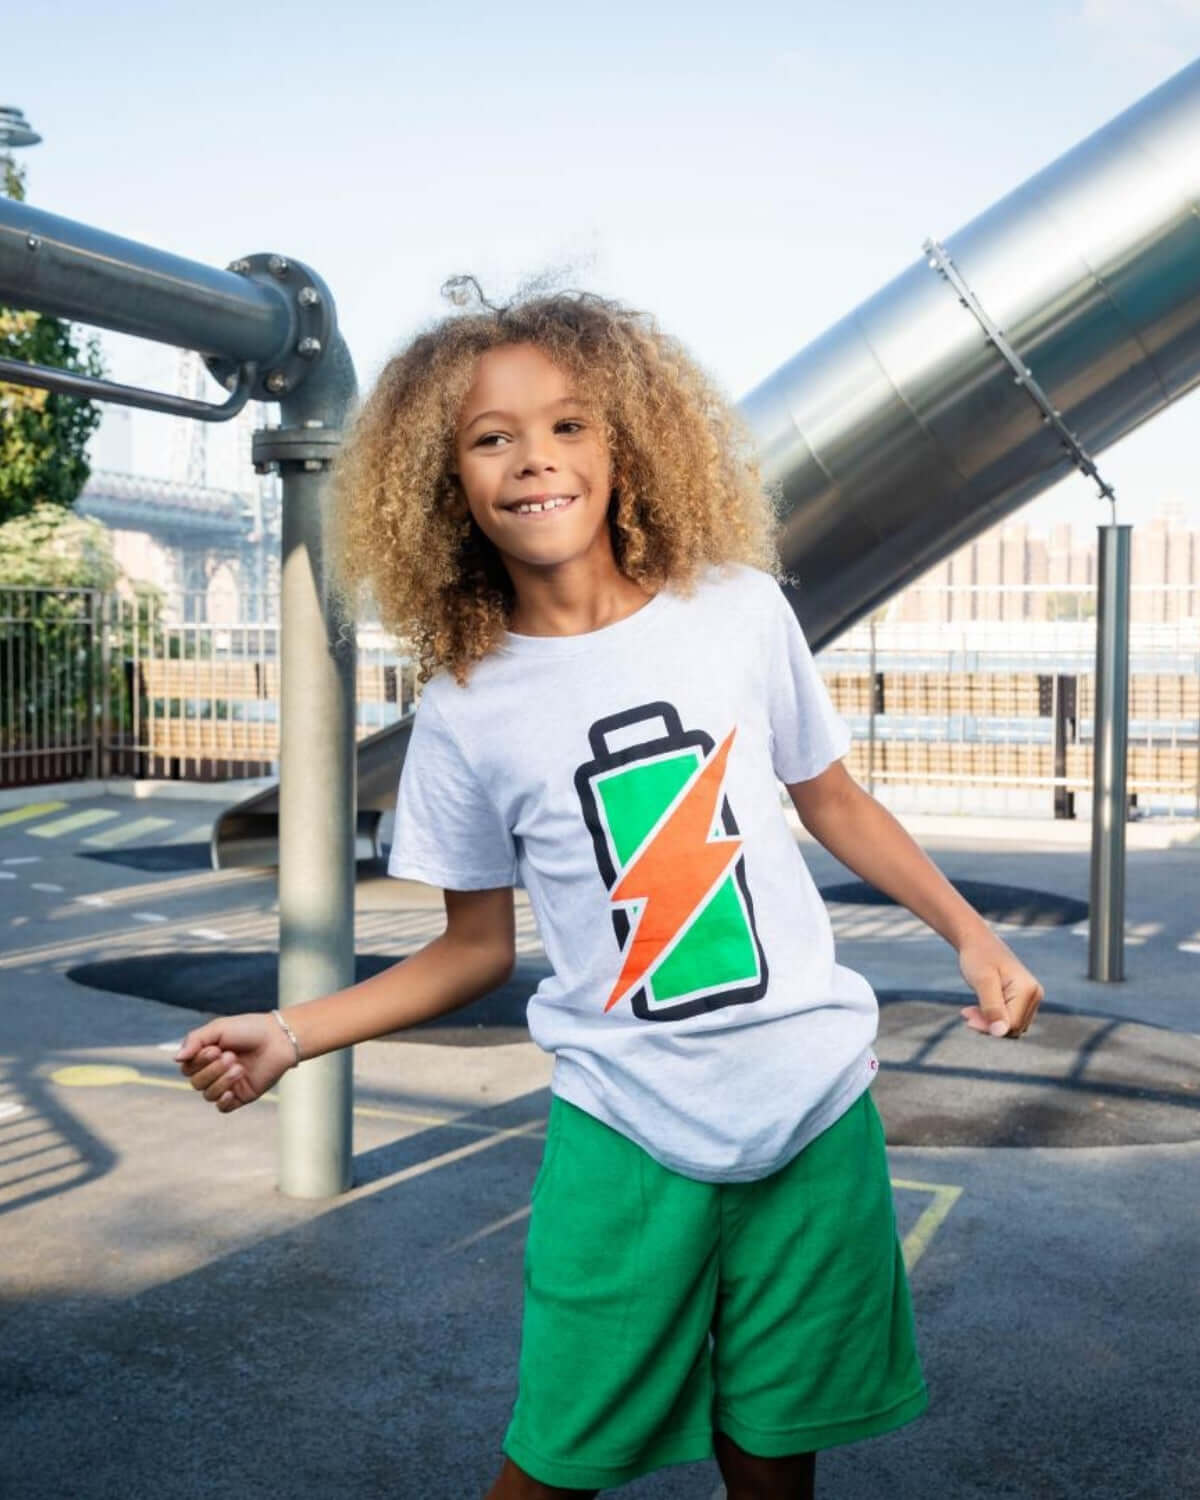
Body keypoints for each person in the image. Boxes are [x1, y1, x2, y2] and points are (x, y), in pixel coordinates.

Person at [175, 281, 1043, 1500]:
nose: (536, 458)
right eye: (492, 437)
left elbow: (833, 800)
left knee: (775, 1450)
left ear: (627, 444)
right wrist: (293, 1031)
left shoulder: (738, 612)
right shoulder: (467, 709)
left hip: (812, 1106)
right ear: (445, 483)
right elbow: (473, 951)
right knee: (554, 1463)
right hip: (628, 1128)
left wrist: (970, 934)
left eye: (569, 424)